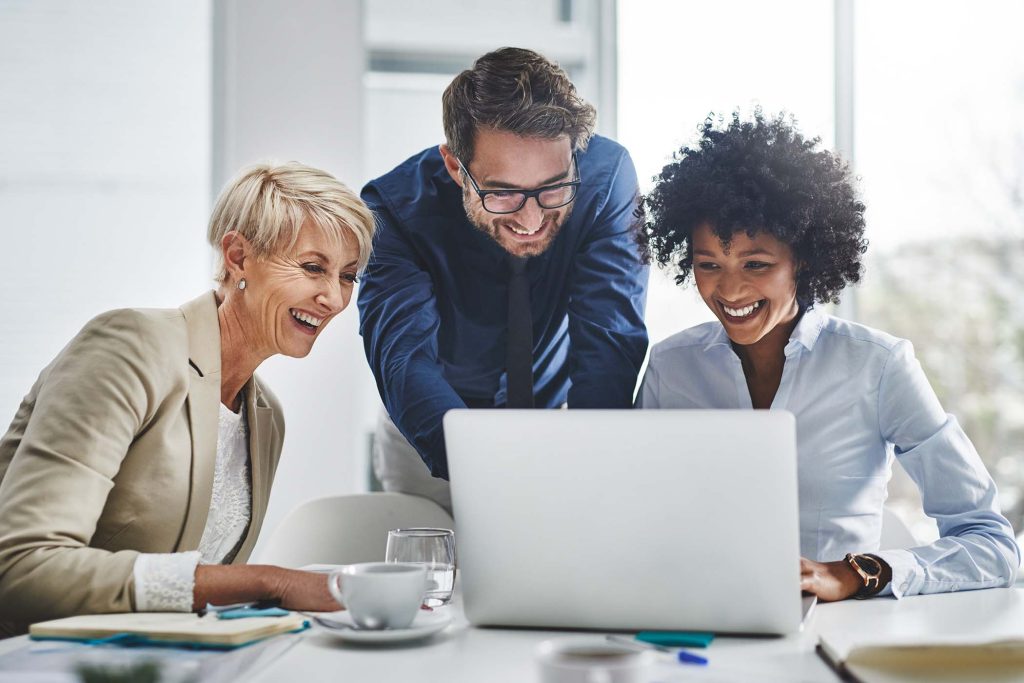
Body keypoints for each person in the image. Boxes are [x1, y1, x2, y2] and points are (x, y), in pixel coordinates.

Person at [636, 111, 1019, 601]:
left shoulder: (878, 366)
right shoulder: (671, 368)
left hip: (836, 630)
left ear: (804, 259)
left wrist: (854, 573)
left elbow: (992, 545)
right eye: (708, 265)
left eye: (756, 264)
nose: (729, 290)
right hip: (697, 617)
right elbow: (634, 518)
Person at [0, 162, 375, 636]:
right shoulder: (130, 347)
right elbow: (22, 567)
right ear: (238, 256)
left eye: (348, 276)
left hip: (158, 661)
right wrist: (268, 582)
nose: (335, 299)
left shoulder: (265, 416)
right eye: (312, 267)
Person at [358, 47, 649, 511]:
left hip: (557, 422)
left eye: (553, 186)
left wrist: (592, 461)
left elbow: (609, 339)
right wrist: (492, 470)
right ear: (456, 166)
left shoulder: (606, 178)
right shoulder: (391, 210)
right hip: (429, 436)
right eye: (503, 193)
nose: (531, 219)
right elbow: (405, 361)